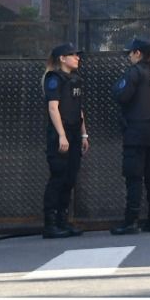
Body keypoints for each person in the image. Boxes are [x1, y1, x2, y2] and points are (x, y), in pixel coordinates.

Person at [112, 37, 150, 235]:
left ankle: (131, 221)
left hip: (136, 134)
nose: (128, 57)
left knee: (134, 178)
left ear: (137, 53)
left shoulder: (135, 72)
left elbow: (121, 95)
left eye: (130, 53)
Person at [41, 42, 88, 239]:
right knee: (58, 178)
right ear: (62, 58)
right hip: (61, 135)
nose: (77, 58)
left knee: (69, 179)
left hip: (75, 134)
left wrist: (84, 134)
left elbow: (79, 109)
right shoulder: (54, 78)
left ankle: (63, 221)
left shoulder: (75, 79)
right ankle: (50, 225)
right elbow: (53, 108)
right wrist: (62, 135)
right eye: (73, 55)